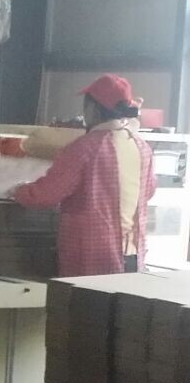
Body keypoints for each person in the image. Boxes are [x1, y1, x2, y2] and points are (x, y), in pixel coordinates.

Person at [13, 74, 156, 277]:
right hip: (133, 254)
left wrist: (18, 190)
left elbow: (46, 195)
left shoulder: (83, 148)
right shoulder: (142, 148)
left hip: (92, 255)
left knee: (87, 299)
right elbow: (149, 191)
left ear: (93, 109)